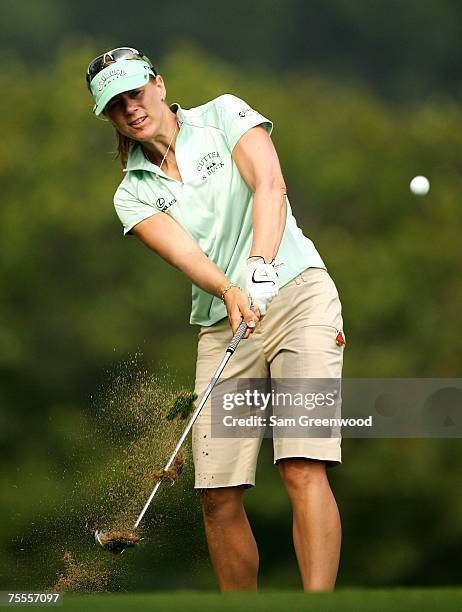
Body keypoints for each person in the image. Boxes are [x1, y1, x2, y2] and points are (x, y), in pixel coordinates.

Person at [86, 47, 346, 592]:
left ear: (158, 84)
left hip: (299, 296)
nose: (131, 108)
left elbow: (270, 186)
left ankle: (320, 605)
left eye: (135, 92)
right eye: (116, 104)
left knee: (301, 463)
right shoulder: (132, 194)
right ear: (108, 116)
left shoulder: (225, 114)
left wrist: (259, 265)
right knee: (217, 492)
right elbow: (187, 256)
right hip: (227, 321)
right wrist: (231, 288)